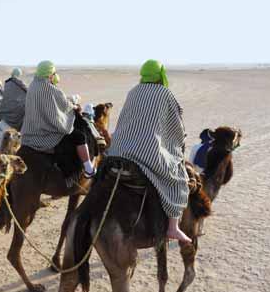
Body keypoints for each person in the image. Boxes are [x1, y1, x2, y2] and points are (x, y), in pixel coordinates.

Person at [106, 59, 191, 243]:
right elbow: (176, 128)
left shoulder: (133, 92)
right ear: (161, 75)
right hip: (145, 155)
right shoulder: (165, 93)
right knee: (179, 178)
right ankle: (173, 227)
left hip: (118, 151)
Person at [21, 60, 96, 177]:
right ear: (50, 74)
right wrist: (74, 106)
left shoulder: (33, 85)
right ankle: (89, 169)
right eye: (54, 73)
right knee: (79, 136)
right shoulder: (49, 88)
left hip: (29, 132)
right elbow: (64, 106)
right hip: (44, 134)